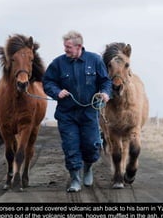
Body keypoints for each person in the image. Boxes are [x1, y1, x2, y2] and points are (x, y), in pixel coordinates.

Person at [43, 30, 112, 192]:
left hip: (89, 112)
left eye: (68, 47)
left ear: (79, 46)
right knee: (71, 146)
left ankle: (88, 169)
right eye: (65, 47)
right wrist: (56, 92)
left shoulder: (94, 60)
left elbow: (105, 82)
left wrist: (105, 93)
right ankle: (75, 179)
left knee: (91, 145)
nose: (65, 50)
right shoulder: (58, 63)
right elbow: (47, 82)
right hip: (67, 114)